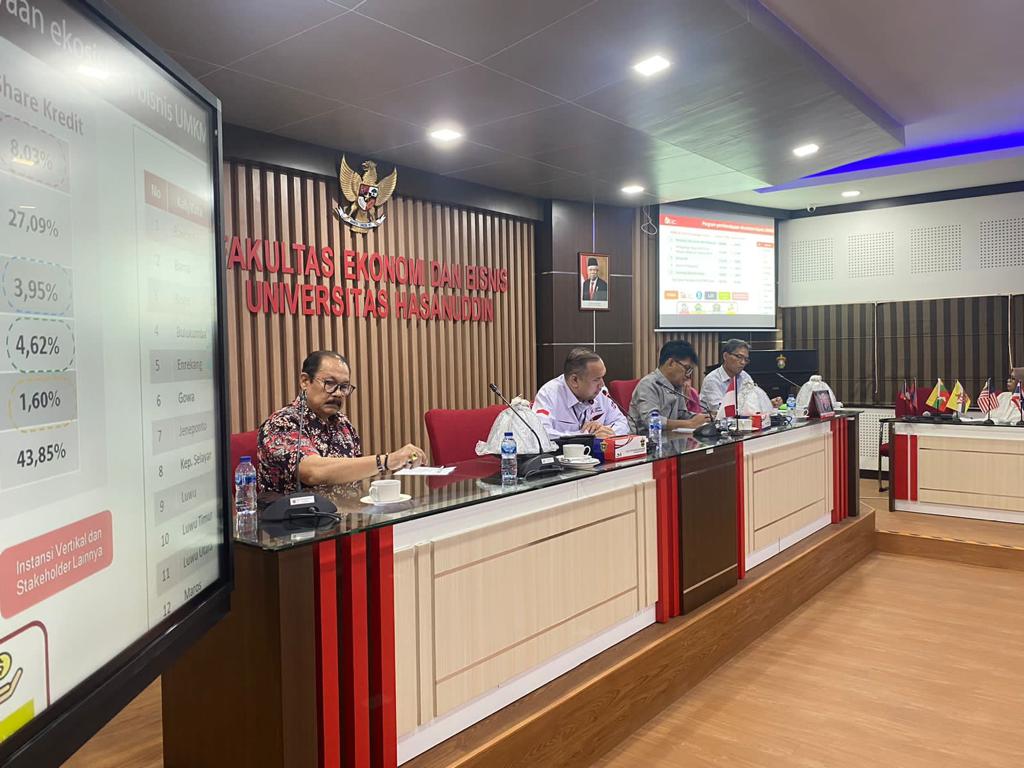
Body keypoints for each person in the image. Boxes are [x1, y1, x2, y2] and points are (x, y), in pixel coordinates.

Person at [257, 350, 425, 494]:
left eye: (344, 387)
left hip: (346, 516)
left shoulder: (342, 424)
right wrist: (387, 460)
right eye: (330, 383)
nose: (338, 393)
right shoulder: (281, 423)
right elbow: (313, 472)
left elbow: (355, 479)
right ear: (305, 381)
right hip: (296, 519)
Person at [533, 347, 629, 438]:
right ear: (574, 380)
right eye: (596, 379)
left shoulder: (601, 392)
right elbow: (541, 434)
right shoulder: (548, 394)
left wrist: (608, 432)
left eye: (602, 377)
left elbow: (622, 423)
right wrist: (586, 436)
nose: (602, 384)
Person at [629, 339, 710, 433]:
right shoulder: (648, 384)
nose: (688, 375)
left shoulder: (677, 385)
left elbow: (681, 414)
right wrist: (690, 423)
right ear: (671, 363)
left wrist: (702, 418)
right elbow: (652, 421)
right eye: (687, 368)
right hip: (644, 439)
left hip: (669, 438)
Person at [699, 338, 783, 414]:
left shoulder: (745, 376)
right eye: (739, 357)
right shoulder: (712, 380)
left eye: (746, 359)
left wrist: (767, 404)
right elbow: (720, 411)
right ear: (725, 356)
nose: (743, 362)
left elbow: (753, 402)